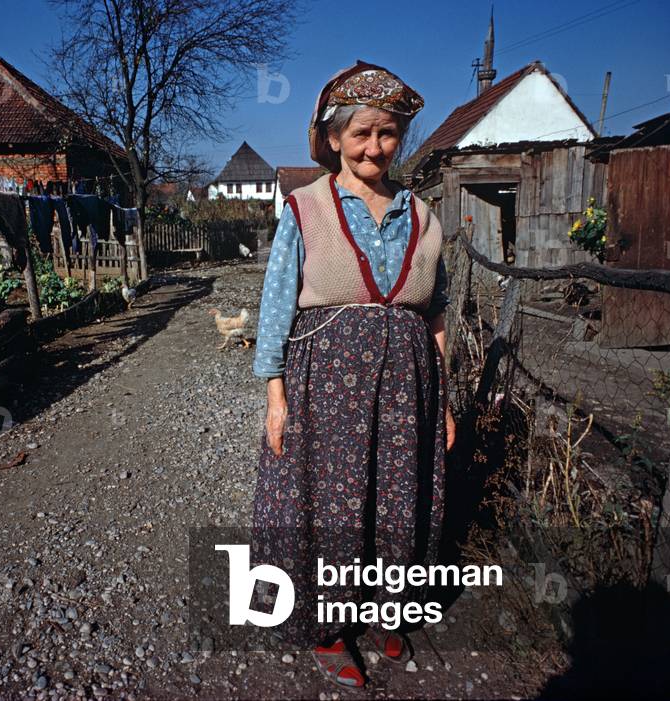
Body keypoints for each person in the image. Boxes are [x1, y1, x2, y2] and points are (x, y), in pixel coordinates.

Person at [250, 61, 455, 689]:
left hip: (407, 386)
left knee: (397, 499)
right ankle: (328, 629)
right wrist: (275, 397)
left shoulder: (422, 216)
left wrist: (444, 400)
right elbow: (277, 305)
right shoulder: (304, 208)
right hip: (326, 384)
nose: (375, 147)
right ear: (334, 138)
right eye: (362, 133)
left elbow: (438, 313)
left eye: (388, 134)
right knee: (332, 504)